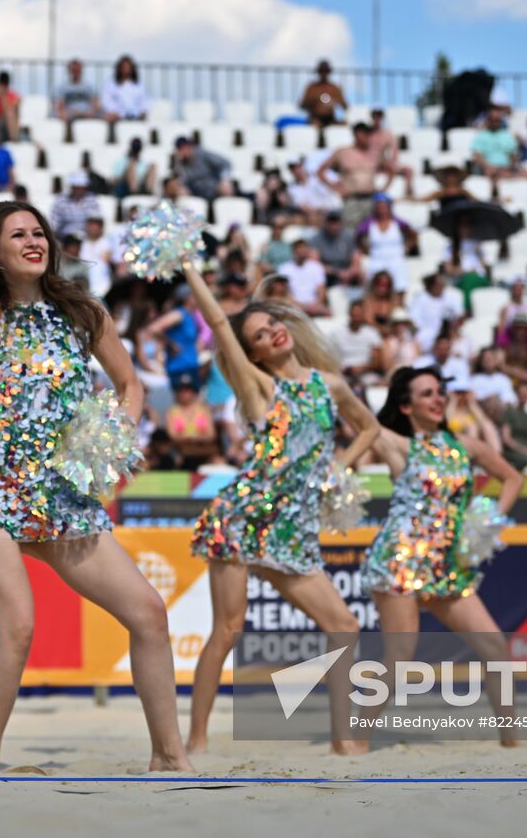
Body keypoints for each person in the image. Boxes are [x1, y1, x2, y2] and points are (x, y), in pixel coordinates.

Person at [0, 202, 191, 772]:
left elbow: (129, 382)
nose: (34, 241)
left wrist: (115, 439)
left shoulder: (81, 310)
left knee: (148, 613)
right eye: (19, 234)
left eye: (39, 232)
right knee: (17, 625)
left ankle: (169, 757)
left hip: (63, 493)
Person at [185, 263, 379, 755]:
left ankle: (342, 739)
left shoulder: (330, 385)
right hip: (243, 518)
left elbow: (370, 428)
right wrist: (190, 267)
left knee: (344, 625)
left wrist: (341, 465)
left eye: (273, 324)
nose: (272, 331)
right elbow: (218, 322)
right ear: (252, 352)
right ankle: (195, 741)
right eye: (259, 334)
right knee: (227, 631)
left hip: (292, 528)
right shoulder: (260, 388)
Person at [356, 366, 524, 745]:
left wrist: (489, 522)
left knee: (494, 646)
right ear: (405, 406)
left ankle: (512, 742)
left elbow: (513, 477)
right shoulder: (400, 445)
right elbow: (358, 416)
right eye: (426, 393)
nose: (438, 399)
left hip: (447, 564)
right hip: (400, 561)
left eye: (439, 392)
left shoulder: (465, 445)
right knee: (399, 658)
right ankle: (359, 737)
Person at [317, 123, 385, 227]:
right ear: (356, 135)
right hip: (351, 199)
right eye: (362, 134)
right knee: (350, 230)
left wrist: (384, 187)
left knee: (369, 231)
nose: (364, 138)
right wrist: (335, 188)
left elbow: (390, 169)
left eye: (366, 135)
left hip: (370, 199)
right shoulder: (343, 153)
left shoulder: (375, 153)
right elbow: (321, 171)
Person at [354, 193, 415, 300]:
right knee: (374, 285)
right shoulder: (369, 223)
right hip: (377, 259)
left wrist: (408, 246)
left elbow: (412, 233)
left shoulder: (398, 222)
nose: (382, 209)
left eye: (384, 206)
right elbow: (358, 236)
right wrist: (365, 249)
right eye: (379, 206)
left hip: (396, 259)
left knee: (399, 284)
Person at [312, 209, 363, 289]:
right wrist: (335, 272)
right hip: (328, 274)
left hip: (347, 272)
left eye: (336, 222)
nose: (333, 225)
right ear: (326, 223)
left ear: (340, 223)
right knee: (315, 272)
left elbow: (356, 259)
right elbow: (314, 262)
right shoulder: (318, 238)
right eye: (331, 222)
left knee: (361, 272)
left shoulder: (348, 236)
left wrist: (349, 273)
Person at [470, 107, 520, 179]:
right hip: (488, 170)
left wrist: (509, 167)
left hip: (506, 169)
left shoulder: (507, 135)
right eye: (493, 120)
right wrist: (488, 167)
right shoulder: (481, 135)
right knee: (493, 174)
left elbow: (514, 156)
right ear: (488, 120)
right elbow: (477, 156)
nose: (495, 123)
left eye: (497, 120)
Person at [49, 170, 100, 240]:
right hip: (65, 239)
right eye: (76, 187)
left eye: (81, 187)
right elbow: (54, 223)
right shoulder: (61, 200)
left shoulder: (92, 200)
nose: (79, 190)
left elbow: (96, 221)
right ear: (71, 187)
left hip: (86, 239)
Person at [299, 59, 346, 127]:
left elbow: (345, 106)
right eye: (321, 71)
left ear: (329, 72)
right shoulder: (311, 87)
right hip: (314, 118)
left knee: (344, 125)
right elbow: (302, 105)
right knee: (315, 125)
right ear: (318, 72)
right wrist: (314, 101)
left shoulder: (335, 88)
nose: (324, 73)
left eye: (326, 71)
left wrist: (335, 102)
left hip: (331, 119)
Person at [102, 55, 148, 122]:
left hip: (136, 116)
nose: (126, 69)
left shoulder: (139, 84)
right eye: (124, 67)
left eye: (128, 67)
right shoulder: (110, 83)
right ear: (119, 68)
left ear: (132, 69)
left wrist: (143, 111)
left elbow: (144, 100)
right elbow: (106, 100)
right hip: (117, 117)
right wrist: (114, 111)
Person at [54, 58, 99, 124]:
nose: (75, 73)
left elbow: (95, 103)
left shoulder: (89, 86)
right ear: (69, 71)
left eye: (77, 70)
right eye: (73, 70)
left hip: (86, 115)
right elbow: (59, 105)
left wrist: (91, 113)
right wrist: (63, 114)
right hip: (69, 116)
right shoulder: (61, 87)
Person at [0, 71, 22, 143]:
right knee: (9, 113)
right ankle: (14, 138)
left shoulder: (13, 96)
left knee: (11, 112)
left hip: (13, 129)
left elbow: (16, 106)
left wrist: (5, 100)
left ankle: (14, 137)